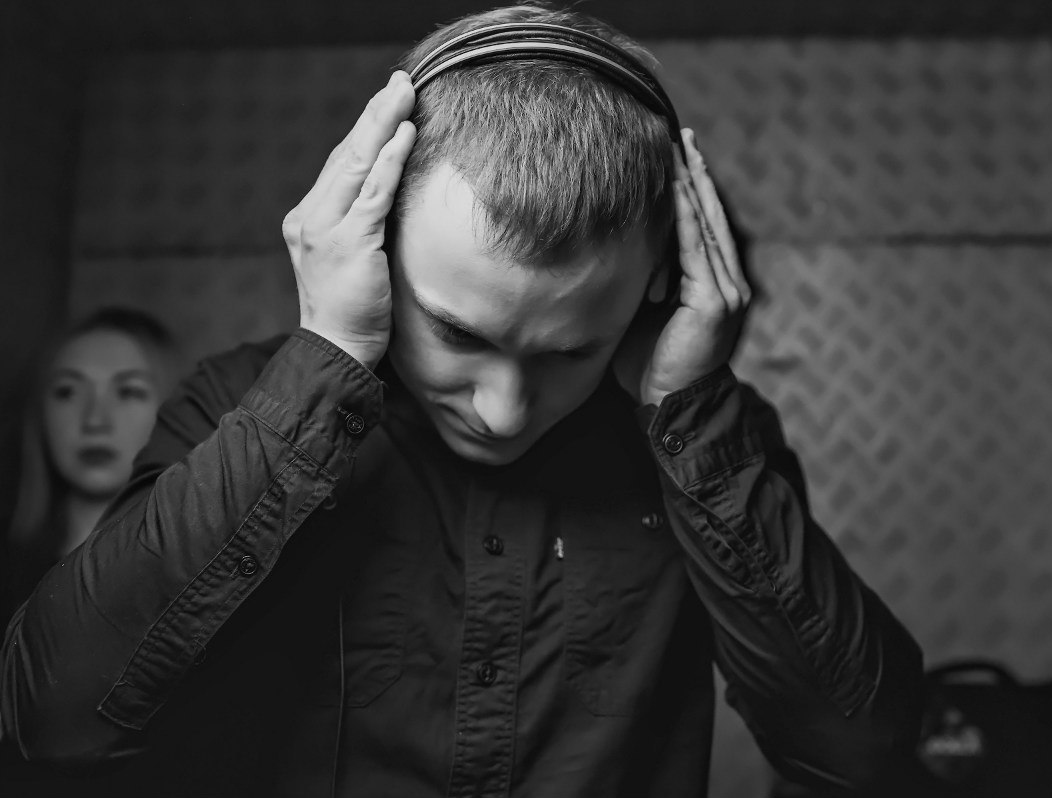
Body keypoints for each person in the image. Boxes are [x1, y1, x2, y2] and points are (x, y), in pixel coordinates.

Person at [1, 5, 923, 797]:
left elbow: (861, 754)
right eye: (457, 332)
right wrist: (324, 364)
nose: (504, 410)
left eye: (570, 350)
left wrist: (692, 419)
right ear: (368, 246)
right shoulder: (235, 403)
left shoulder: (711, 439)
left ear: (660, 288)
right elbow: (52, 722)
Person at [0, 307, 179, 794]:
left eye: (129, 391)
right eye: (67, 392)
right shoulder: (10, 570)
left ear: (172, 410)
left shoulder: (201, 576)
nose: (95, 419)